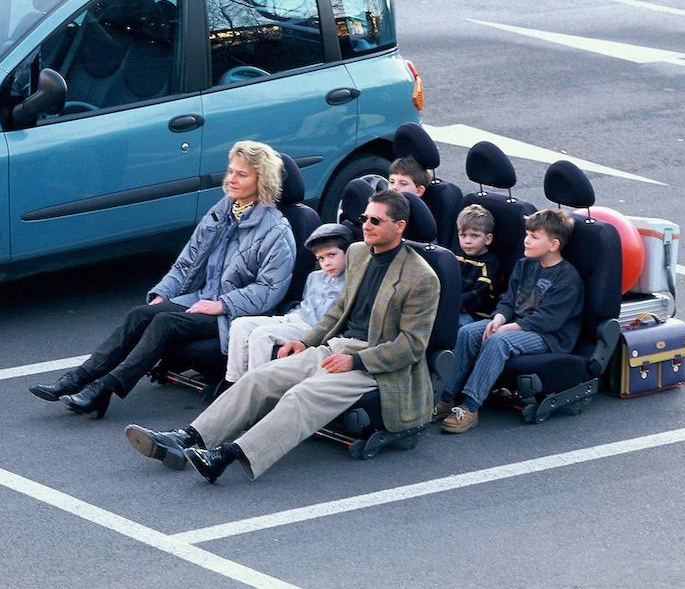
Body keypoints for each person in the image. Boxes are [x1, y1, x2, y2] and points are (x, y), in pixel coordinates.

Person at [124, 190, 438, 481]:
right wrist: (305, 342)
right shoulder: (358, 253)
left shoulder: (421, 277)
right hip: (334, 348)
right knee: (258, 379)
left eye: (375, 220)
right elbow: (338, 309)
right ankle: (186, 438)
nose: (365, 225)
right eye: (364, 219)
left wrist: (355, 361)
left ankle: (226, 456)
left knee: (300, 395)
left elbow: (411, 347)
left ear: (399, 226)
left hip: (377, 367)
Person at [29, 141, 296, 419]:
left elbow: (269, 289)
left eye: (242, 175)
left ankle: (103, 390)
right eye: (230, 171)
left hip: (234, 315)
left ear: (262, 180)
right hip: (200, 299)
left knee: (165, 322)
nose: (231, 179)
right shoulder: (220, 213)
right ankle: (76, 378)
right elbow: (186, 263)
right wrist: (163, 295)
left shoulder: (276, 230)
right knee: (141, 313)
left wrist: (221, 305)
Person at [437, 208, 583, 434]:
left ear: (553, 245)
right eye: (527, 234)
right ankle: (446, 398)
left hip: (548, 336)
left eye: (534, 237)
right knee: (467, 332)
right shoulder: (524, 264)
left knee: (498, 342)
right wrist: (498, 318)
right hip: (516, 323)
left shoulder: (567, 278)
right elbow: (508, 298)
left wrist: (509, 328)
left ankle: (470, 406)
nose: (526, 240)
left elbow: (549, 320)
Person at [222, 222, 353, 385]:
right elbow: (305, 304)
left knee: (261, 335)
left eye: (332, 255)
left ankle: (258, 387)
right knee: (240, 325)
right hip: (292, 317)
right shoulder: (315, 277)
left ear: (348, 253)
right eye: (321, 258)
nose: (326, 263)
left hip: (311, 327)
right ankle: (234, 382)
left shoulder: (352, 281)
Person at [454, 204, 501, 328]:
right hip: (453, 306)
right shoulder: (455, 255)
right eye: (463, 235)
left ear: (488, 239)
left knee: (457, 324)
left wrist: (450, 303)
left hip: (475, 314)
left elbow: (479, 294)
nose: (467, 241)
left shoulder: (489, 264)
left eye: (474, 235)